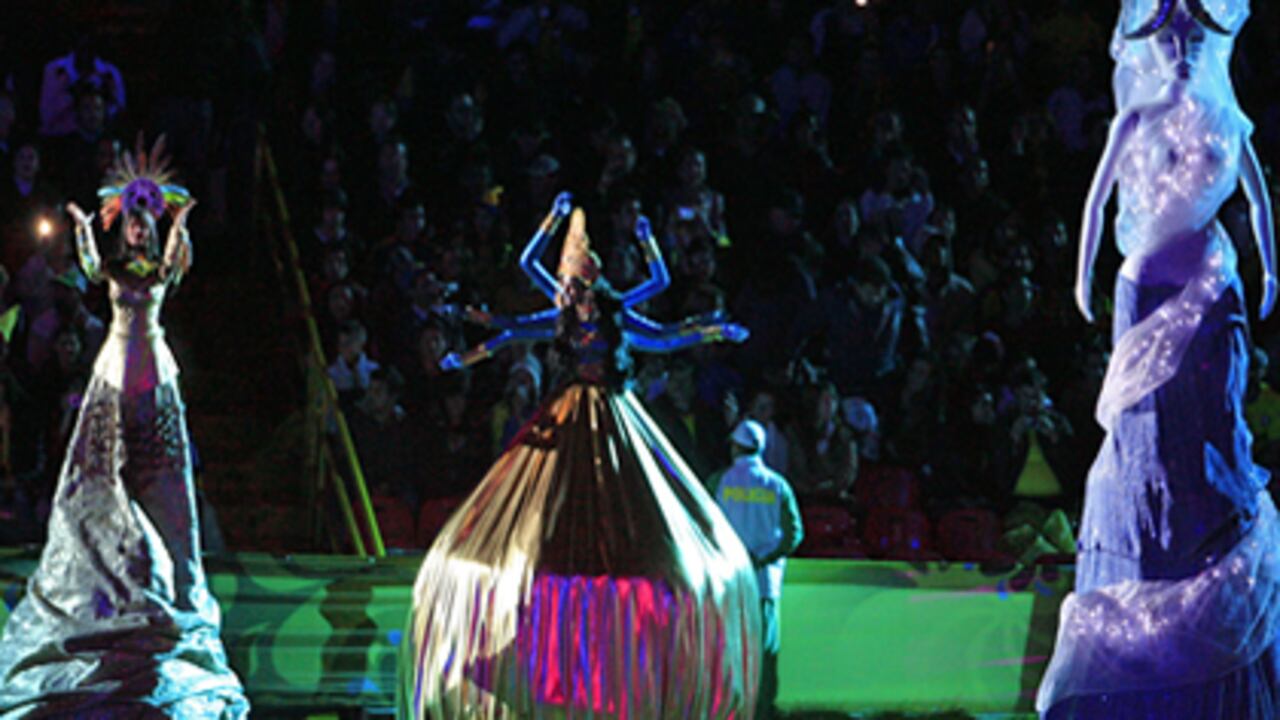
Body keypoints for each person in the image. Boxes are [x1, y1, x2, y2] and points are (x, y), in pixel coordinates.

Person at [400, 192, 759, 719]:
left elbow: (662, 328)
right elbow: (513, 321)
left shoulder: (613, 318)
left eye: (582, 288)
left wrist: (707, 318)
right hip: (566, 415)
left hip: (614, 415)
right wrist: (467, 353)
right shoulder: (562, 315)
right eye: (569, 288)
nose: (575, 297)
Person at [1037, 1, 1280, 717]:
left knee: (1206, 449)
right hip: (1146, 292)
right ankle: (1151, 614)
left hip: (1210, 295)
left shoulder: (1228, 121)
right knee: (1146, 448)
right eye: (1168, 33)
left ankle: (1206, 643)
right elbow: (1096, 200)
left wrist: (1273, 270)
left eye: (1191, 35)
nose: (1179, 46)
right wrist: (1081, 277)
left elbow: (1260, 204)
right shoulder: (1135, 116)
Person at [0, 137, 249, 717]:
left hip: (153, 366)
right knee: (100, 470)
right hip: (114, 364)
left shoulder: (159, 264)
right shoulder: (112, 265)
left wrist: (180, 219)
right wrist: (84, 225)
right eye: (132, 222)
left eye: (144, 222)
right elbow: (88, 266)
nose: (138, 230)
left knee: (161, 470)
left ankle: (164, 593)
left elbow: (176, 264)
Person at [711, 419, 804, 720]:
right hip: (765, 584)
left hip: (729, 584)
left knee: (726, 652)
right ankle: (761, 712)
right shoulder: (778, 485)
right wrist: (764, 558)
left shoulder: (720, 480)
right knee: (765, 657)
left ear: (735, 446)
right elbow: (794, 534)